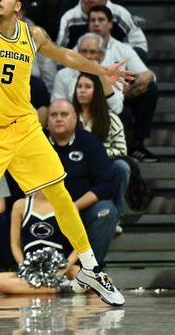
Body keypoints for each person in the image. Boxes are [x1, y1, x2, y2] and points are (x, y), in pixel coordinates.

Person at [0, 0, 129, 311]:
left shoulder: (31, 33)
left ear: (18, 4)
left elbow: (63, 54)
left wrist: (101, 71)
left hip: (24, 128)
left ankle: (91, 269)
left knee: (60, 195)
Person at [48, 99, 119, 268]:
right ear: (47, 120)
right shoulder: (37, 143)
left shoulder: (89, 142)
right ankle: (36, 269)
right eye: (54, 115)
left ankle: (90, 268)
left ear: (75, 118)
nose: (58, 118)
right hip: (45, 209)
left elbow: (105, 184)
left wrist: (74, 207)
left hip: (81, 209)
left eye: (64, 114)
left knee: (106, 211)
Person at [87, 6, 158, 161]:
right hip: (89, 100)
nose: (96, 24)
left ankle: (138, 144)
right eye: (93, 20)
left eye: (101, 20)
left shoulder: (122, 49)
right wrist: (124, 92)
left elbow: (147, 74)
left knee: (149, 89)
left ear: (110, 24)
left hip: (117, 98)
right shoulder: (81, 49)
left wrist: (135, 86)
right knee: (121, 111)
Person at [0, 189, 82, 295]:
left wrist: (63, 268)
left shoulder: (68, 206)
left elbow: (80, 246)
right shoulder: (21, 205)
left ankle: (36, 288)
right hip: (31, 267)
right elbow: (15, 244)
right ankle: (62, 288)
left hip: (58, 268)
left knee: (92, 278)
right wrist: (25, 267)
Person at [72, 72, 130, 233]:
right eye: (79, 86)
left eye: (87, 87)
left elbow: (121, 150)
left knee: (121, 167)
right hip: (74, 165)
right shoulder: (68, 117)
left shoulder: (111, 118)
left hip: (103, 167)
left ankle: (116, 215)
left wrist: (96, 154)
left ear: (97, 91)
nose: (82, 91)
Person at [57, 0, 147, 59]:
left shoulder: (120, 13)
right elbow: (59, 51)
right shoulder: (69, 17)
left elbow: (140, 45)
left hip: (117, 62)